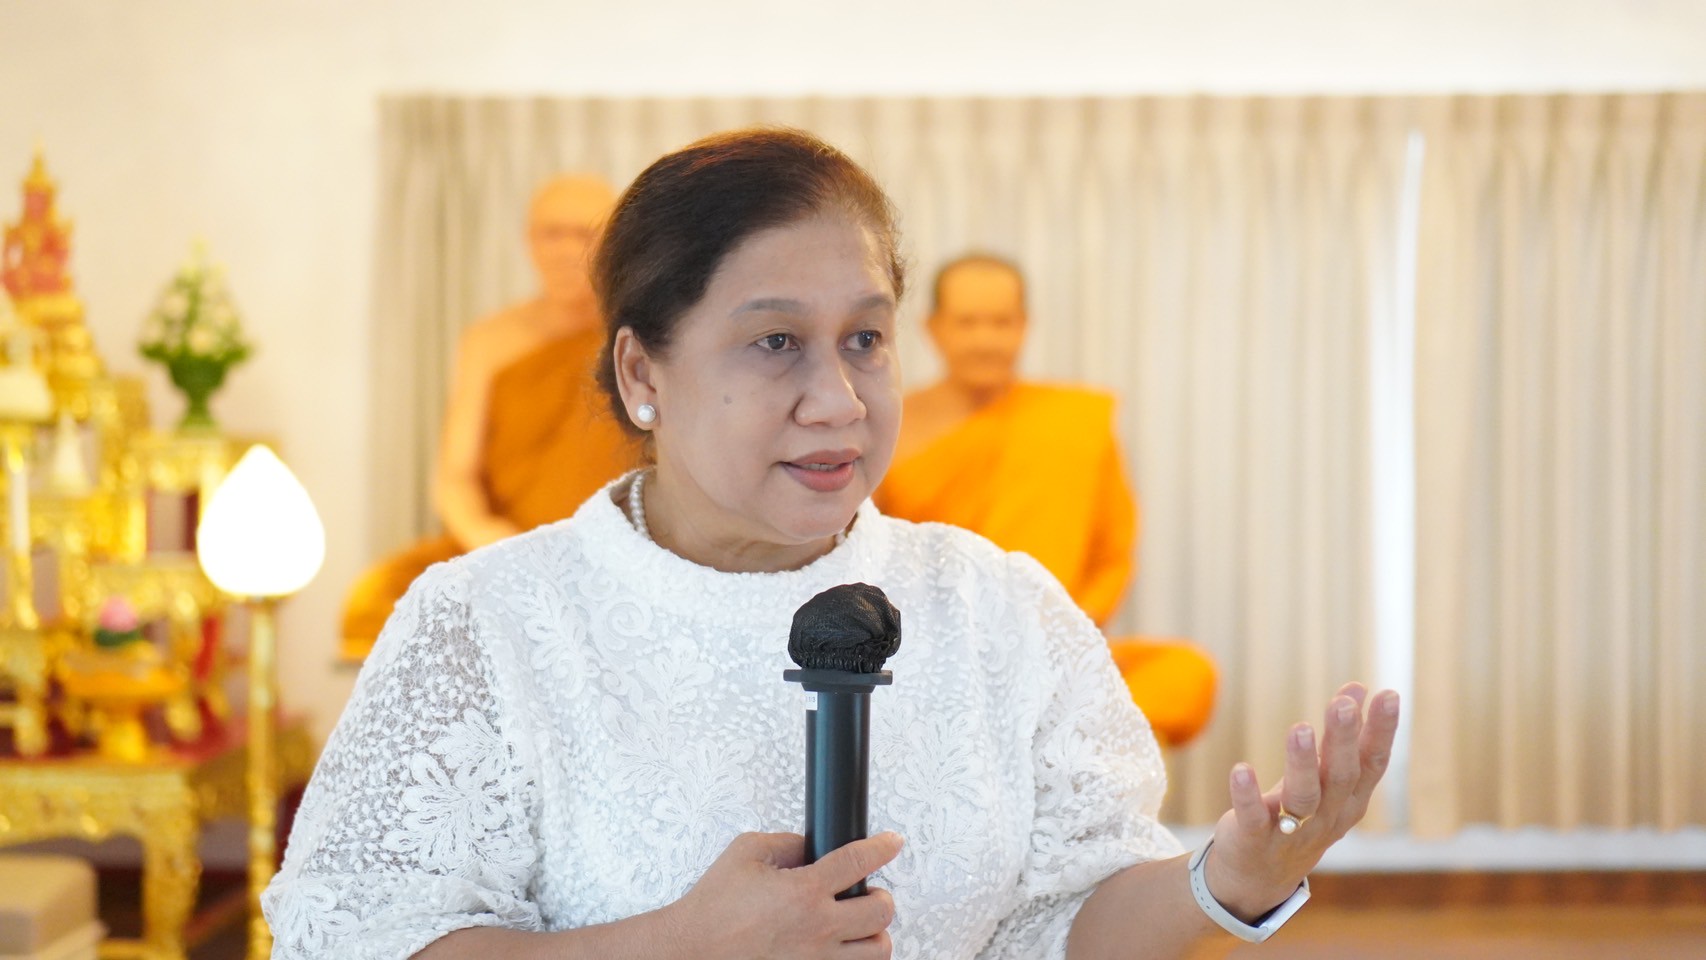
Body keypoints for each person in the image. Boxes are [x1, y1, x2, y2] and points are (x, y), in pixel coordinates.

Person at [267, 129, 1400, 960]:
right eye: (775, 343)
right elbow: (354, 941)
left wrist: (1227, 878)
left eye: (865, 338)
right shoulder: (484, 622)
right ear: (642, 370)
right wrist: (679, 943)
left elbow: (1063, 924)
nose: (839, 401)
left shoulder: (997, 606)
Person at [876, 255, 1215, 745]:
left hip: (1057, 646)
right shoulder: (893, 424)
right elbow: (876, 557)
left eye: (1001, 323)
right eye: (968, 322)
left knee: (1187, 673)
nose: (985, 340)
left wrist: (1063, 632)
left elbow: (1112, 554)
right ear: (934, 328)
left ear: (1024, 326)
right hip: (944, 651)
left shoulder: (1072, 420)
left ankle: (1037, 722)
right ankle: (1048, 728)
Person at [338, 175, 643, 659]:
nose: (567, 250)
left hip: (611, 546)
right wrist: (496, 543)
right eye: (552, 233)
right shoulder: (491, 340)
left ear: (613, 245)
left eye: (584, 234)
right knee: (381, 599)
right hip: (508, 543)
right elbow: (455, 476)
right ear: (529, 240)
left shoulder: (642, 338)